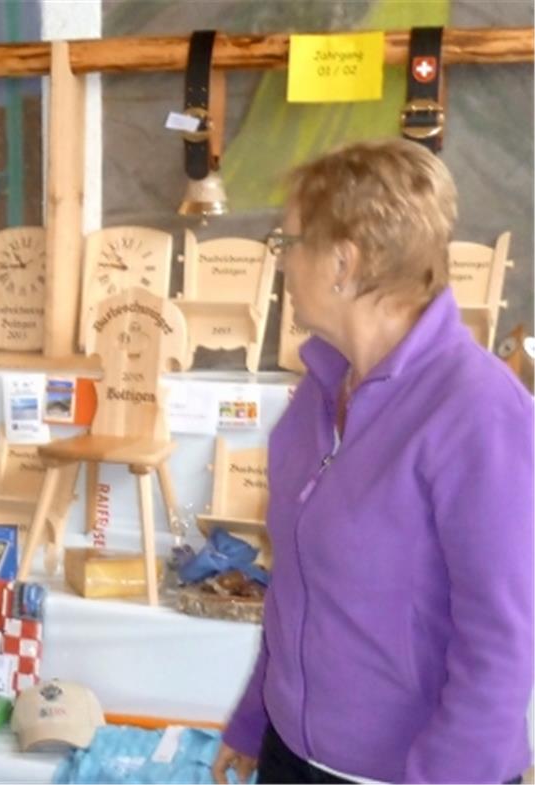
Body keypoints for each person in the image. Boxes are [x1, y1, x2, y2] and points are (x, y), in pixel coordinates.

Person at [212, 138, 534, 784]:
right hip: (291, 755)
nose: (279, 263)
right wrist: (255, 717)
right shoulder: (319, 390)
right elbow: (297, 585)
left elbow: (502, 648)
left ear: (343, 261)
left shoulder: (478, 411)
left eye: (287, 242)